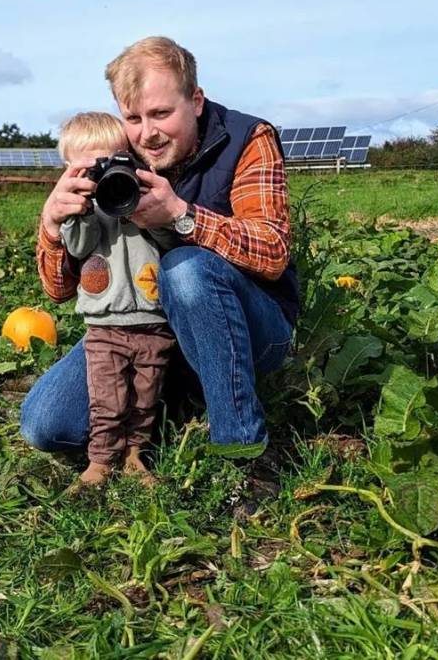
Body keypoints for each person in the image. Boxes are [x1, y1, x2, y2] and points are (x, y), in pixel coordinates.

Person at [21, 36, 299, 460]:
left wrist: (180, 216)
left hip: (250, 328)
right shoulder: (117, 154)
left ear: (197, 100)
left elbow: (273, 252)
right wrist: (53, 224)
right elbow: (58, 291)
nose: (147, 134)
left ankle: (241, 449)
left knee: (186, 270)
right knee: (47, 424)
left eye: (162, 114)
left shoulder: (249, 139)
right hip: (138, 327)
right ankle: (173, 397)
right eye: (133, 117)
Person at [54, 111, 176, 487]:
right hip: (104, 325)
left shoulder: (141, 198)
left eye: (110, 163)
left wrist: (146, 210)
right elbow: (76, 247)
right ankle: (101, 460)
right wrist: (82, 208)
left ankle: (134, 453)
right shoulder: (83, 213)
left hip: (152, 320)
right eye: (91, 169)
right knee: (107, 398)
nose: (103, 175)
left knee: (145, 396)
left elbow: (172, 244)